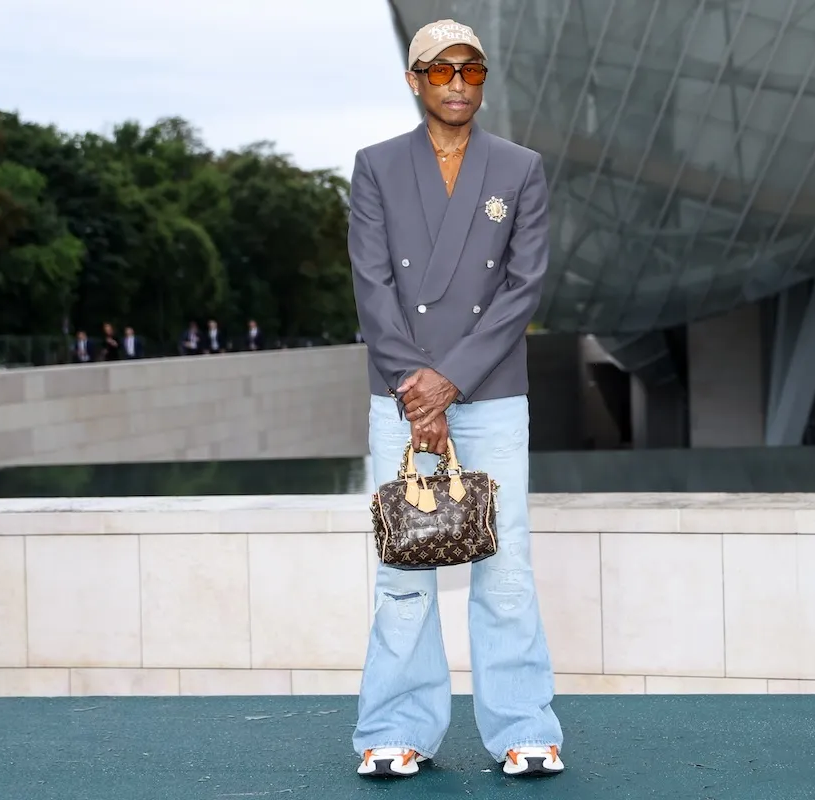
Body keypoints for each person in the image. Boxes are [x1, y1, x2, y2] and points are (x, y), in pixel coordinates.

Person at [347, 18, 564, 781]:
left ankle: (524, 729)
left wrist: (452, 380)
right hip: (403, 396)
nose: (459, 84)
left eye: (471, 70)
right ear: (416, 81)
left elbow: (522, 286)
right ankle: (395, 728)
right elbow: (373, 286)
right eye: (442, 71)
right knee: (403, 566)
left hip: (492, 392)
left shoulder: (520, 168)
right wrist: (422, 391)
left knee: (504, 565)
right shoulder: (375, 167)